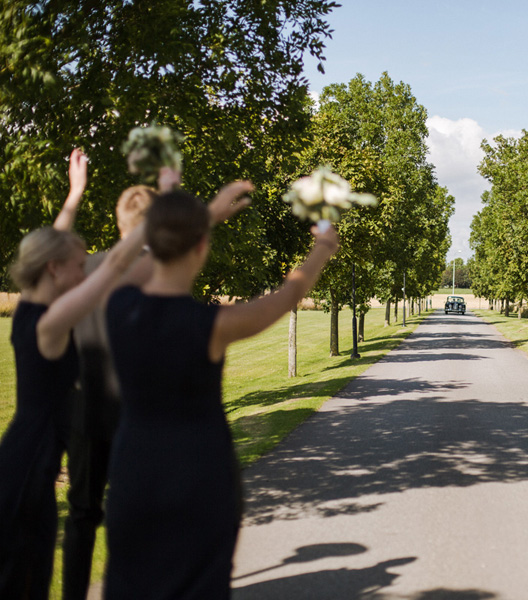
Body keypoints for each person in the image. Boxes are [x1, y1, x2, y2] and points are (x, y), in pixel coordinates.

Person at [102, 185, 339, 598]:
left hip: (132, 471)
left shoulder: (118, 306)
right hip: (199, 477)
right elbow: (288, 295)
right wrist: (322, 248)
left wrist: (200, 220)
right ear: (201, 247)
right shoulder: (210, 325)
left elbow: (132, 264)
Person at [0, 149, 148, 599]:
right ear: (54, 269)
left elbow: (52, 244)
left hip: (27, 456)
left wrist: (75, 193)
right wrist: (157, 222)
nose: (87, 272)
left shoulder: (31, 306)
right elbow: (117, 267)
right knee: (23, 580)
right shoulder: (50, 321)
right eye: (80, 265)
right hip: (31, 467)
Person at [61, 172, 179, 600]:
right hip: (138, 418)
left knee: (81, 515)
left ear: (118, 221)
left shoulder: (85, 269)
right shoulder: (159, 272)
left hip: (85, 413)